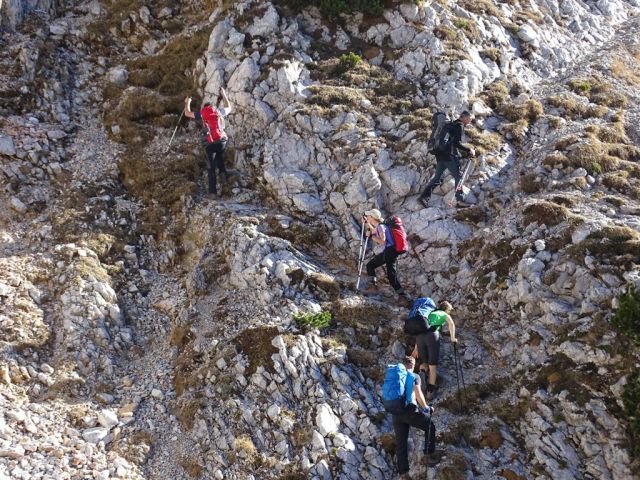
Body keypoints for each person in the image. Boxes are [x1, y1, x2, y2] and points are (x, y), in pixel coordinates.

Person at [419, 111, 475, 207]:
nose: (470, 121)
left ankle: (424, 197)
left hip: (440, 155)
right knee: (458, 176)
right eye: (470, 119)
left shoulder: (451, 124)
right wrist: (469, 150)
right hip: (449, 155)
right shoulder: (459, 125)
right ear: (464, 117)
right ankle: (459, 200)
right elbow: (456, 143)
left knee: (437, 178)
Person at [392, 355, 435, 480]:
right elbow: (418, 393)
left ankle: (404, 474)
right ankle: (428, 456)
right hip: (409, 411)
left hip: (396, 414)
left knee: (401, 443)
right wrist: (426, 408)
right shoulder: (414, 376)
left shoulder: (395, 377)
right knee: (430, 426)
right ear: (412, 364)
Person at [184, 87, 232, 197]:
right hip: (223, 140)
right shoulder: (218, 112)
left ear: (205, 108)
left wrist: (188, 102)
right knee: (219, 154)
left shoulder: (203, 113)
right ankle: (223, 177)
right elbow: (229, 107)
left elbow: (187, 113)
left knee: (210, 166)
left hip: (213, 143)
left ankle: (213, 192)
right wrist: (224, 94)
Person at [412, 301, 457, 401]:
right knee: (433, 366)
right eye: (449, 310)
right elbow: (451, 324)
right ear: (447, 309)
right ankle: (429, 393)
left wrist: (416, 348)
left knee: (424, 362)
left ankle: (422, 375)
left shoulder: (430, 312)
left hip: (420, 336)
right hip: (432, 336)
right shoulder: (444, 314)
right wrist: (453, 338)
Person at [362, 209, 410, 301]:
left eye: (368, 216)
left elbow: (382, 241)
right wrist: (367, 223)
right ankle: (403, 296)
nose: (367, 217)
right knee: (391, 275)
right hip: (393, 251)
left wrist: (371, 236)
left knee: (370, 265)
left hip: (389, 251)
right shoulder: (382, 226)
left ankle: (373, 288)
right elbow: (373, 231)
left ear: (372, 217)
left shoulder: (381, 227)